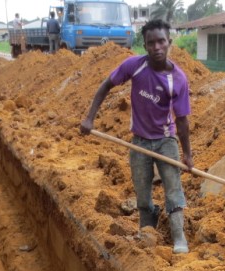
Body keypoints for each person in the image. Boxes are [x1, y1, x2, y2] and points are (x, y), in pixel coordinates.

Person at [80, 19, 193, 254]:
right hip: (140, 141)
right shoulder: (134, 66)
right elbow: (105, 86)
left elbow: (182, 120)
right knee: (142, 197)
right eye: (151, 43)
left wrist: (188, 155)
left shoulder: (178, 79)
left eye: (161, 41)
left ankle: (178, 236)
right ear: (145, 45)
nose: (157, 47)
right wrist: (90, 118)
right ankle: (147, 234)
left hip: (165, 141)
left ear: (169, 42)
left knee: (173, 190)